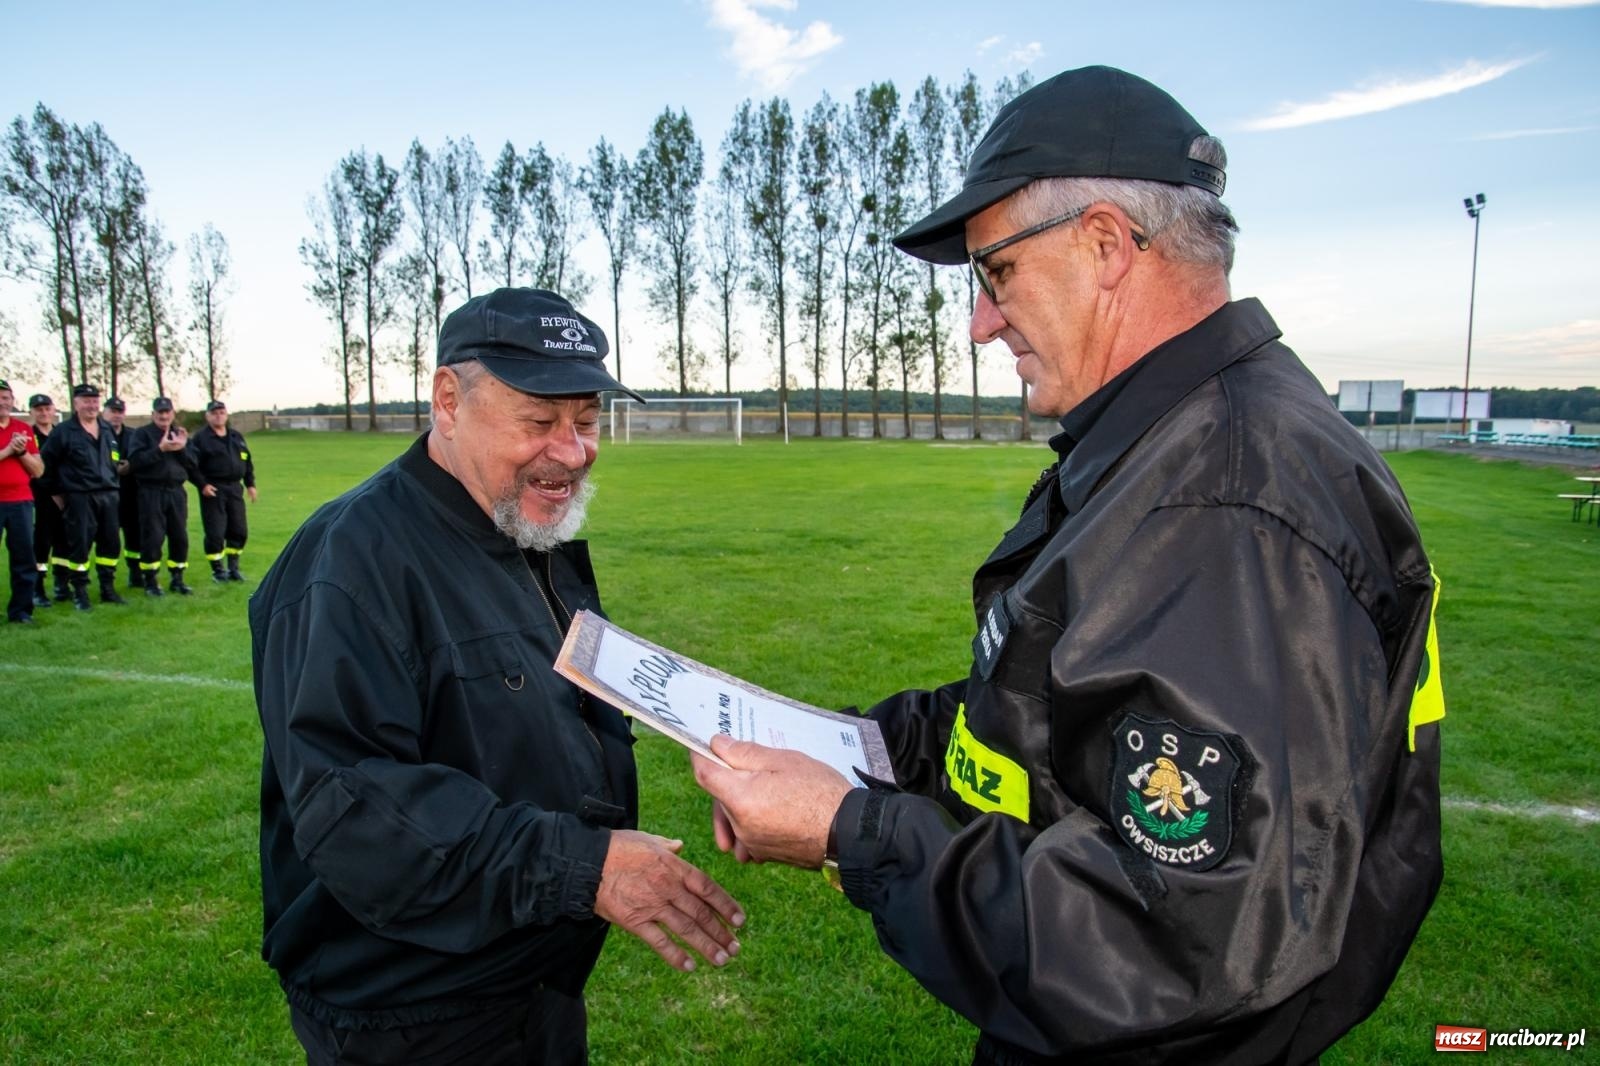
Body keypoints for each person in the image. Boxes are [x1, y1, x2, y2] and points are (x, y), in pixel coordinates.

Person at [693, 66, 1445, 1065]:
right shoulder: (1173, 443)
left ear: (1103, 245)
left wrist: (852, 830)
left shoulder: (1221, 500)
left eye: (993, 273)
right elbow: (1066, 722)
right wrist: (871, 747)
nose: (978, 323)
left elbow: (1172, 936)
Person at [251, 287, 744, 1066]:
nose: (574, 451)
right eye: (539, 421)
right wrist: (587, 868)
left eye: (585, 421)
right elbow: (358, 813)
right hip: (415, 1010)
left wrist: (719, 731)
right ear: (448, 400)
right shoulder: (351, 562)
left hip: (527, 981)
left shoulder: (520, 525)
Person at [40, 383, 128, 610]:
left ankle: (107, 589)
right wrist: (56, 494)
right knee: (80, 545)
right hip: (80, 496)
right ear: (76, 403)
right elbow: (44, 466)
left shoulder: (107, 429)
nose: (91, 405)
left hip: (108, 495)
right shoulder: (63, 432)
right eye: (86, 400)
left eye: (95, 400)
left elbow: (113, 460)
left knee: (110, 544)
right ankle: (80, 593)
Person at [125, 397, 202, 596]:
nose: (163, 416)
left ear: (172, 414)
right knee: (153, 536)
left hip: (176, 492)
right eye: (159, 412)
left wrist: (182, 448)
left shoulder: (180, 434)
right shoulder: (142, 434)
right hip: (151, 491)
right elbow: (135, 462)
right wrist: (160, 449)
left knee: (179, 536)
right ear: (153, 414)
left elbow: (193, 463)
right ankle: (150, 580)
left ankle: (178, 578)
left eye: (167, 412)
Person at [189, 399, 255, 583]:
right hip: (213, 489)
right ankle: (218, 570)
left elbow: (246, 460)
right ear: (207, 416)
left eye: (222, 412)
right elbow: (192, 466)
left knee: (238, 529)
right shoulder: (201, 439)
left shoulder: (235, 437)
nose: (219, 416)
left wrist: (250, 484)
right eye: (214, 413)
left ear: (226, 415)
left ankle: (233, 567)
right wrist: (202, 485)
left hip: (234, 488)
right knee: (216, 531)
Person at [0, 379, 44, 623]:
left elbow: (38, 470)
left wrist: (22, 452)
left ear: (12, 401)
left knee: (24, 558)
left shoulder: (24, 430)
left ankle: (21, 611)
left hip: (21, 502)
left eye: (6, 397)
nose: (2, 402)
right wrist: (8, 450)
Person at [27, 393, 67, 607]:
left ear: (53, 410)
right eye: (38, 409)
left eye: (47, 408)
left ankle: (62, 584)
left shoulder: (61, 434)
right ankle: (38, 588)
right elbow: (34, 471)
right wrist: (53, 493)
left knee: (64, 541)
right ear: (31, 412)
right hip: (41, 496)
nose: (43, 412)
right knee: (41, 542)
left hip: (66, 495)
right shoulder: (28, 435)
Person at [103, 396, 142, 589]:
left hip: (130, 493)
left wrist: (131, 465)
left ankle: (135, 573)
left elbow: (141, 458)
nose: (116, 415)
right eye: (113, 411)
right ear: (105, 412)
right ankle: (106, 579)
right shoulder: (98, 433)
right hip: (104, 493)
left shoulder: (134, 435)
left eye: (120, 412)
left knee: (134, 536)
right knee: (108, 537)